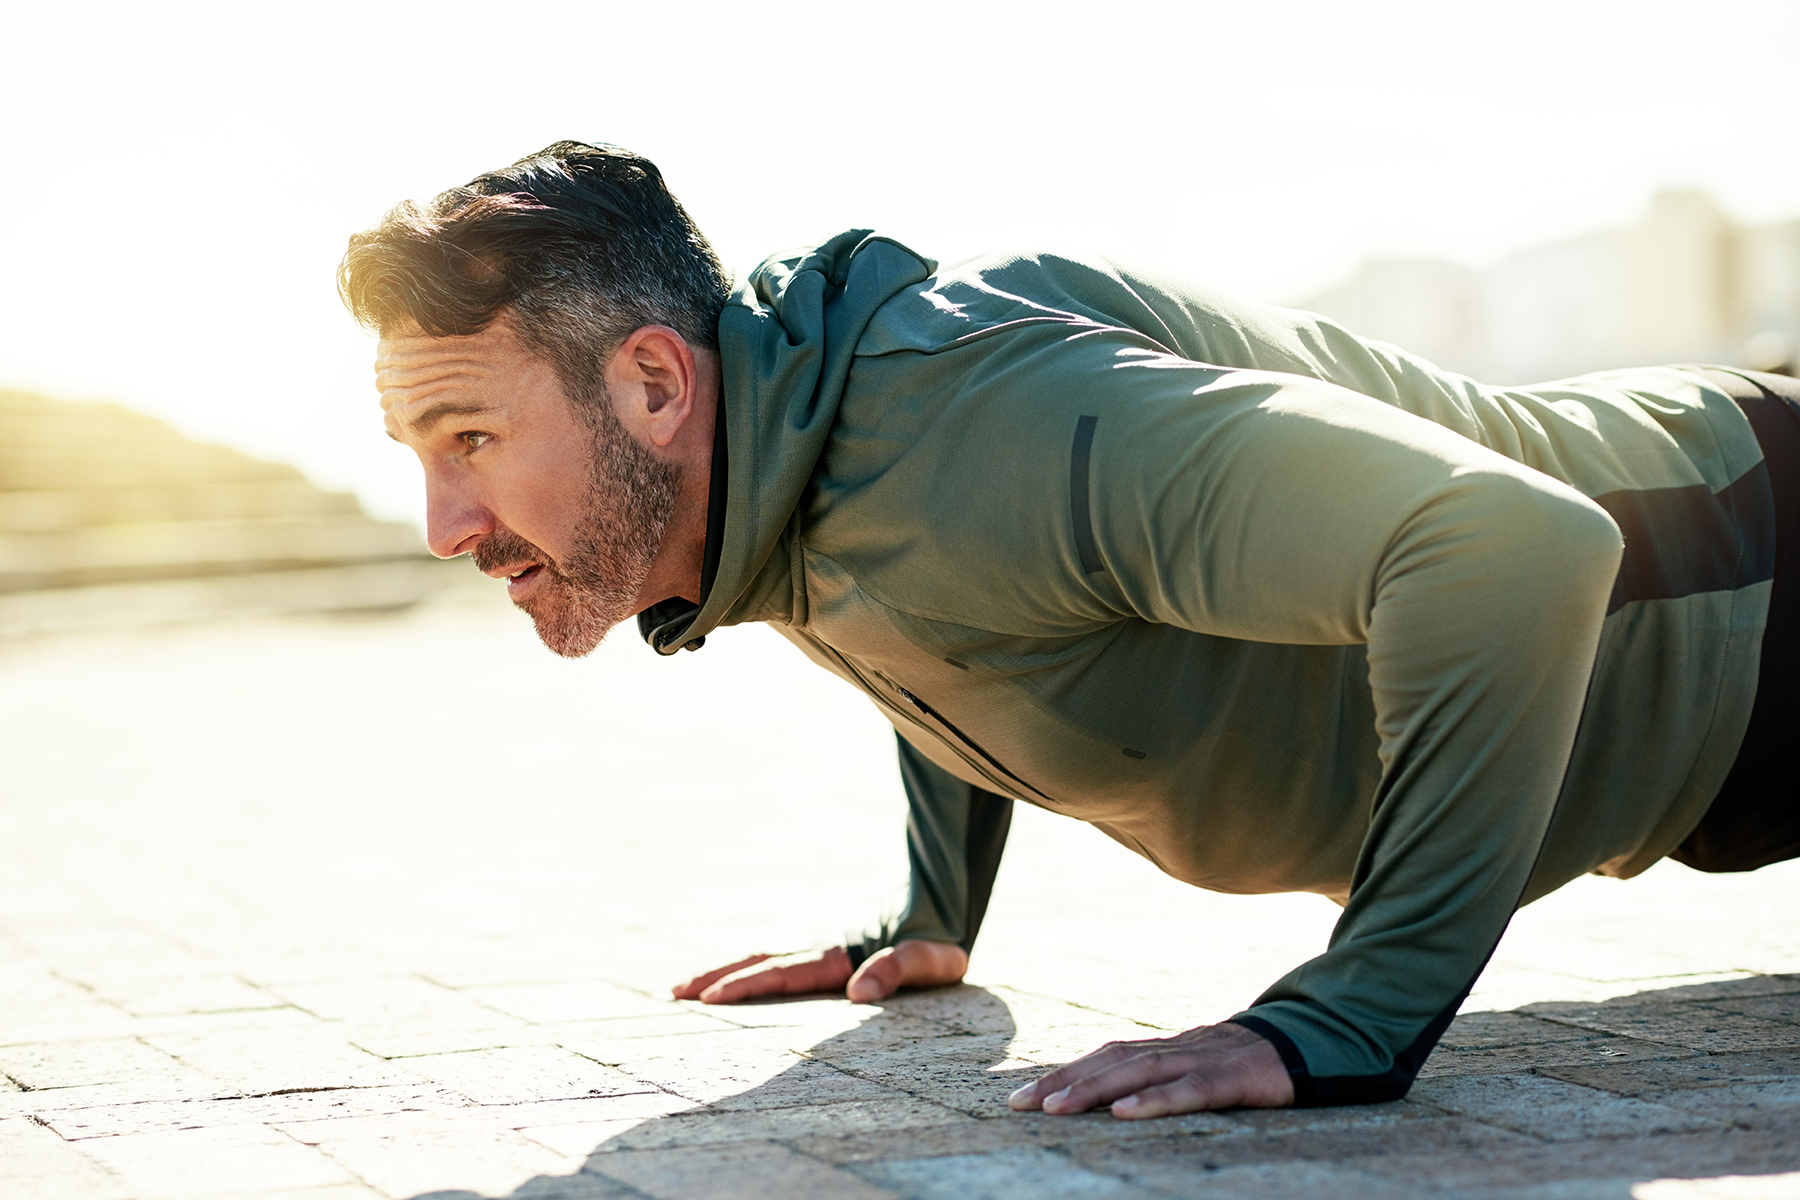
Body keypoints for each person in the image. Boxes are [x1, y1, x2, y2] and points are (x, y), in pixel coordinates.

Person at [342, 140, 1800, 1118]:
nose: (447, 524)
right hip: (1715, 749)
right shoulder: (769, 480)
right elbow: (925, 609)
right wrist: (932, 910)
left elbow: (1510, 546)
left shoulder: (986, 421)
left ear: (656, 385)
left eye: (469, 436)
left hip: (1765, 576)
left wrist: (1350, 1018)